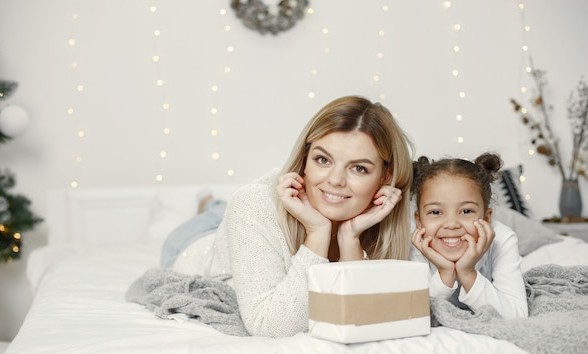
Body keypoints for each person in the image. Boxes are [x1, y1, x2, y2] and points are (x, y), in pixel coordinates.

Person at [161, 95, 415, 338]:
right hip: (194, 243)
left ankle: (215, 204)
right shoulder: (253, 203)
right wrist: (317, 234)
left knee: (226, 209)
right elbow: (272, 327)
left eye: (359, 168)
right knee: (221, 210)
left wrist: (350, 240)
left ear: (384, 175)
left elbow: (365, 315)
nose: (336, 180)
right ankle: (209, 204)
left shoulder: (396, 214)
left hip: (253, 223)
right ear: (305, 159)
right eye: (323, 160)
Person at [409, 152, 528, 319]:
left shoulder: (502, 239)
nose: (451, 224)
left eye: (466, 211)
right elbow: (412, 315)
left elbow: (517, 315)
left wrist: (467, 273)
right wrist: (445, 273)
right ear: (419, 221)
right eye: (436, 212)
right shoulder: (415, 246)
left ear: (486, 218)